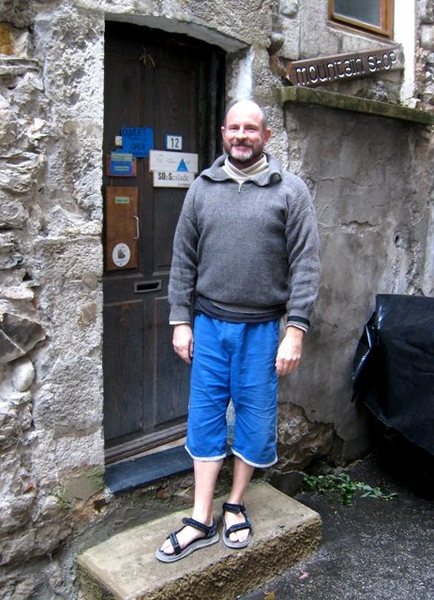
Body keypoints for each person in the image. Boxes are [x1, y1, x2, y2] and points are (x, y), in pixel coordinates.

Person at [155, 99, 321, 563]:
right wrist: (180, 319)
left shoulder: (290, 191)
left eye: (251, 128)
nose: (241, 135)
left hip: (263, 330)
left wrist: (296, 331)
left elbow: (306, 265)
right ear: (224, 134)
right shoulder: (202, 189)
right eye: (234, 128)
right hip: (208, 326)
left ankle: (235, 504)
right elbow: (183, 258)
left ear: (266, 136)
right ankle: (200, 516)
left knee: (254, 417)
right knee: (205, 417)